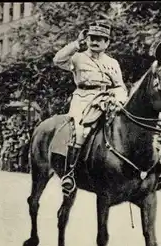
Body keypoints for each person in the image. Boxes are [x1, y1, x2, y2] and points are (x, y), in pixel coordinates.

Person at [53, 20, 128, 195]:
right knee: (80, 131)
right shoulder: (78, 57)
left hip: (107, 99)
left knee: (121, 129)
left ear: (107, 43)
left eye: (100, 39)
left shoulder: (113, 62)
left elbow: (120, 86)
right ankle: (70, 174)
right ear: (86, 39)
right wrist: (75, 45)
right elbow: (58, 60)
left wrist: (119, 100)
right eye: (92, 38)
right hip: (83, 100)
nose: (95, 42)